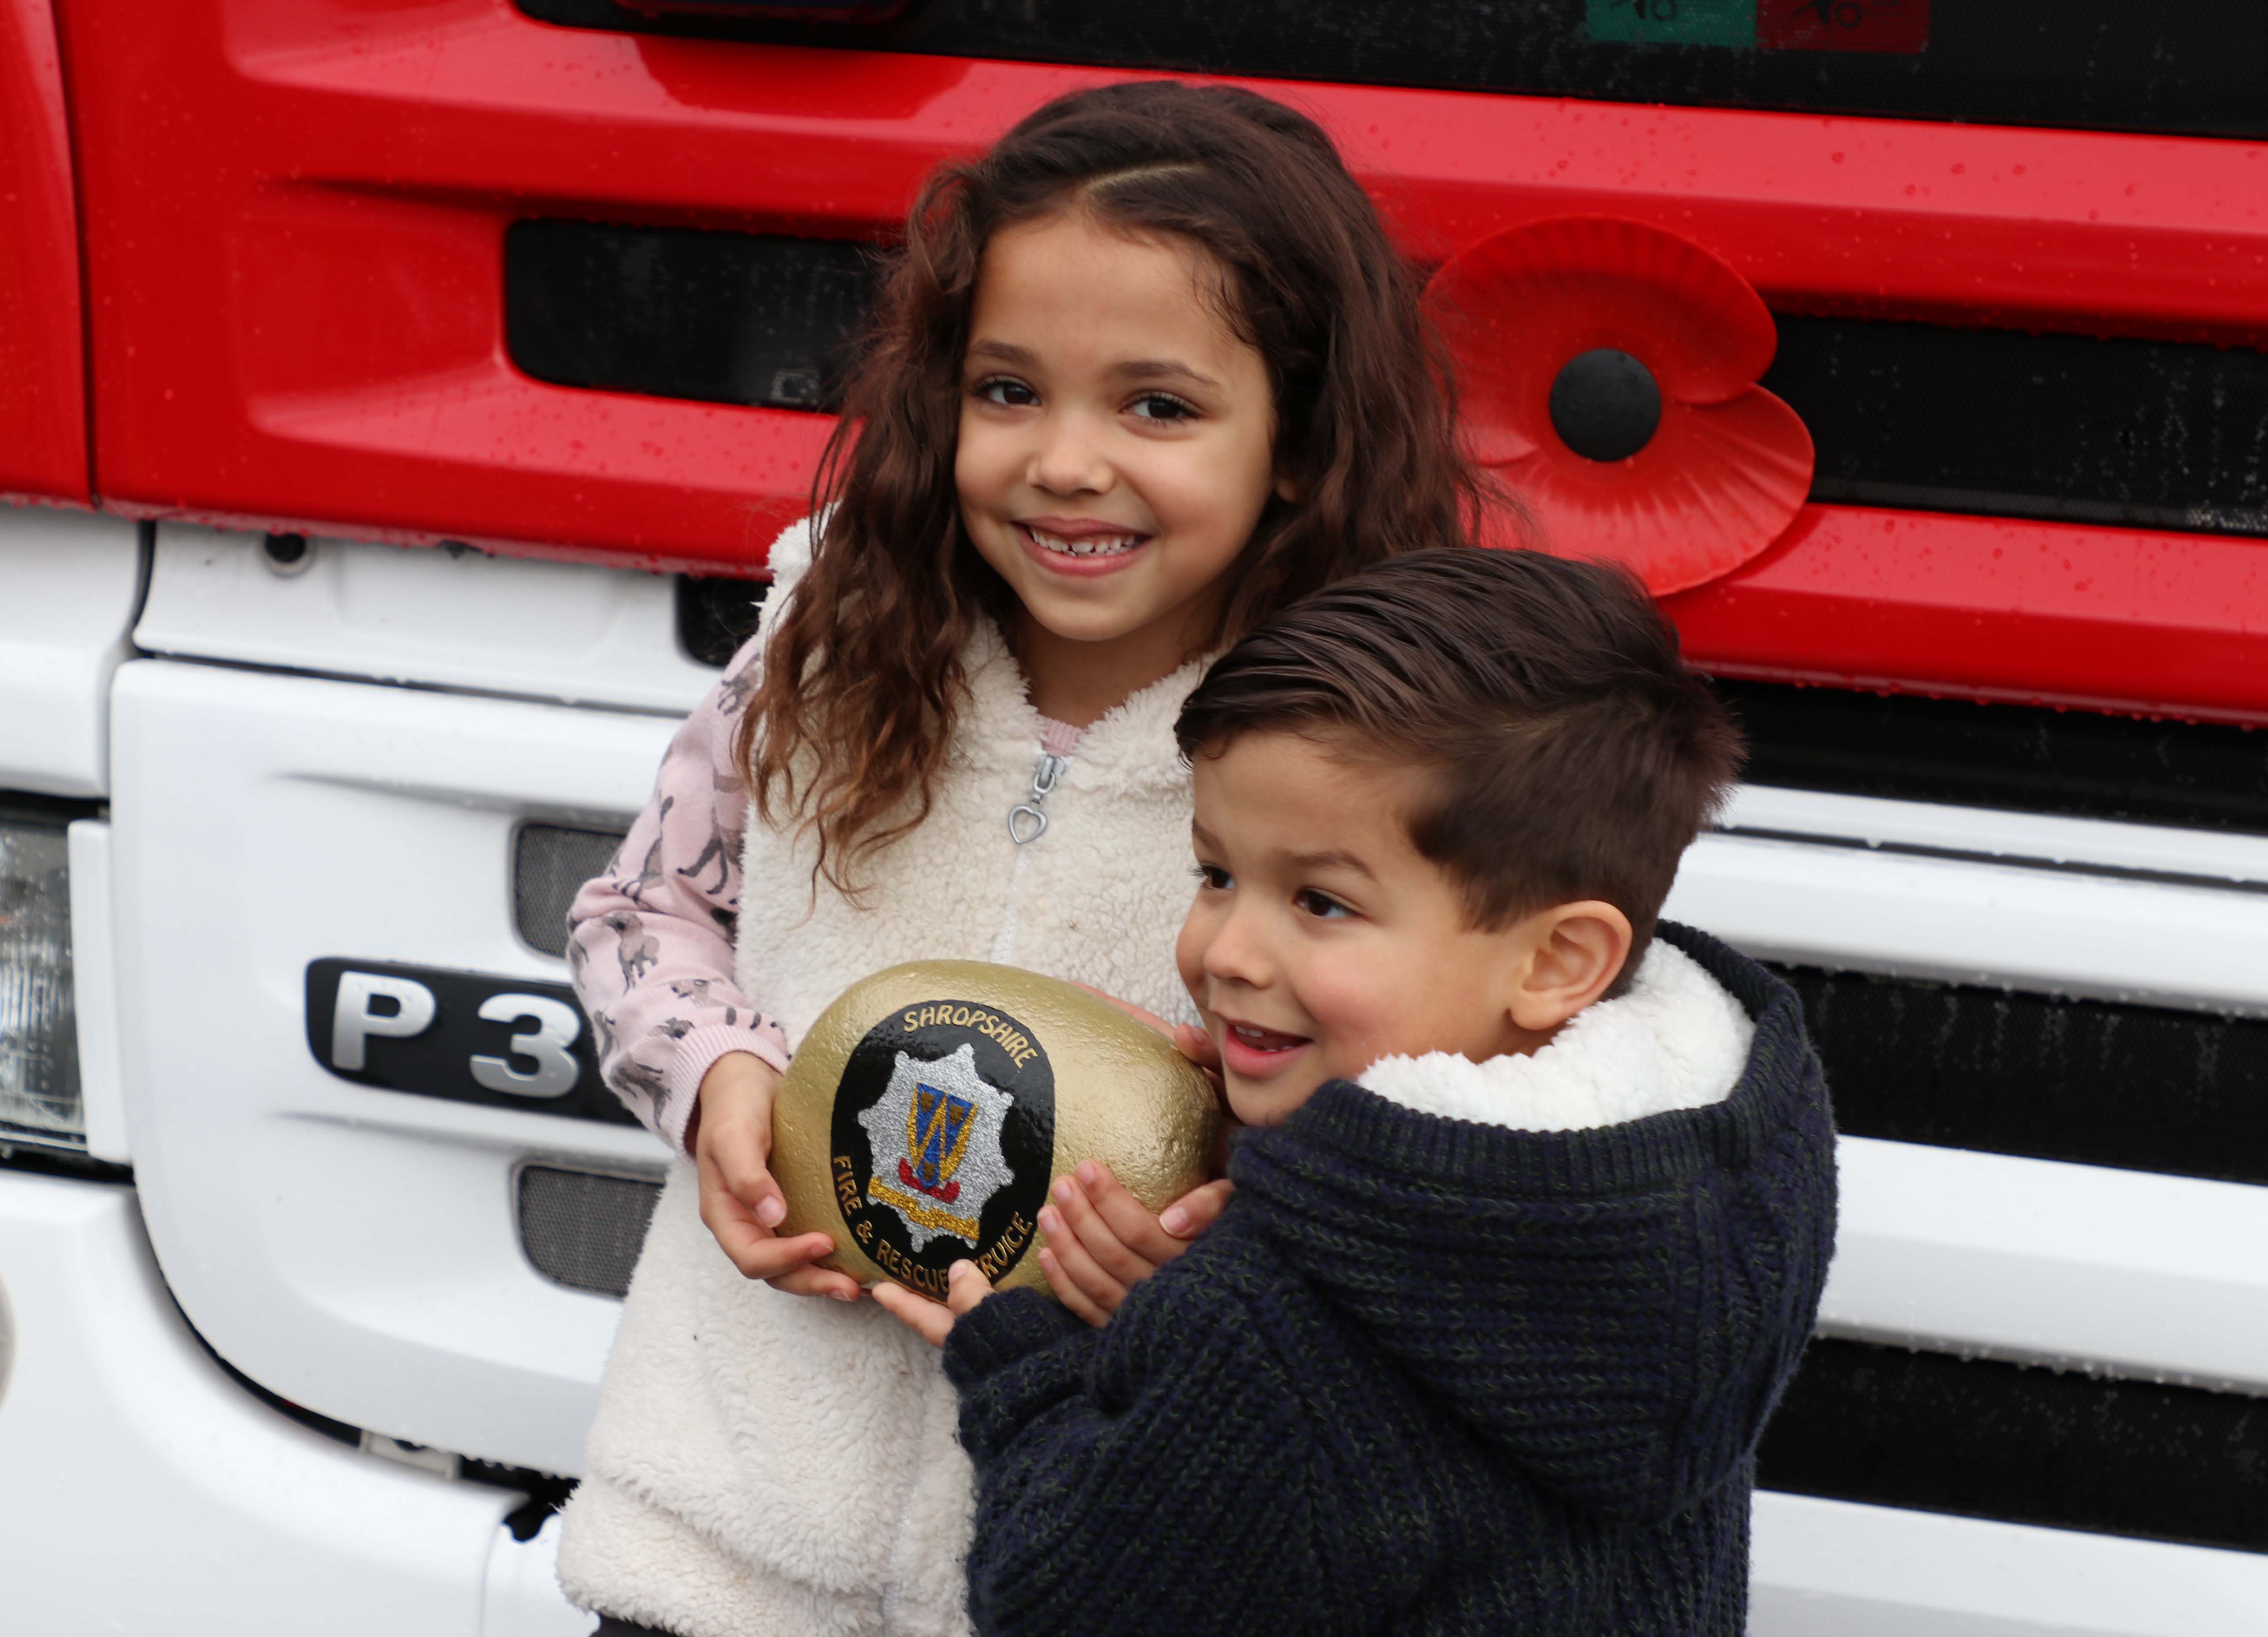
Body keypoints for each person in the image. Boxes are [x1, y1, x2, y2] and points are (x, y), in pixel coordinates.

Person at [554, 80, 1485, 1637]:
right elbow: (647, 910)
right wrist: (715, 1075)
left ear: (1306, 442)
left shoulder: (1366, 753)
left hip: (1088, 1571)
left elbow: (1433, 1102)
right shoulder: (823, 643)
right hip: (717, 1545)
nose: (1066, 463)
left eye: (1158, 407)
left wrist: (1221, 1241)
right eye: (1008, 391)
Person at [876, 550, 1839, 1637]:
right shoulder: (1691, 1193)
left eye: (1323, 901)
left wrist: (1039, 1366)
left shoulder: (1282, 1321)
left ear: (1561, 959)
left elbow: (1061, 1601)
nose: (1229, 950)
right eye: (1216, 873)